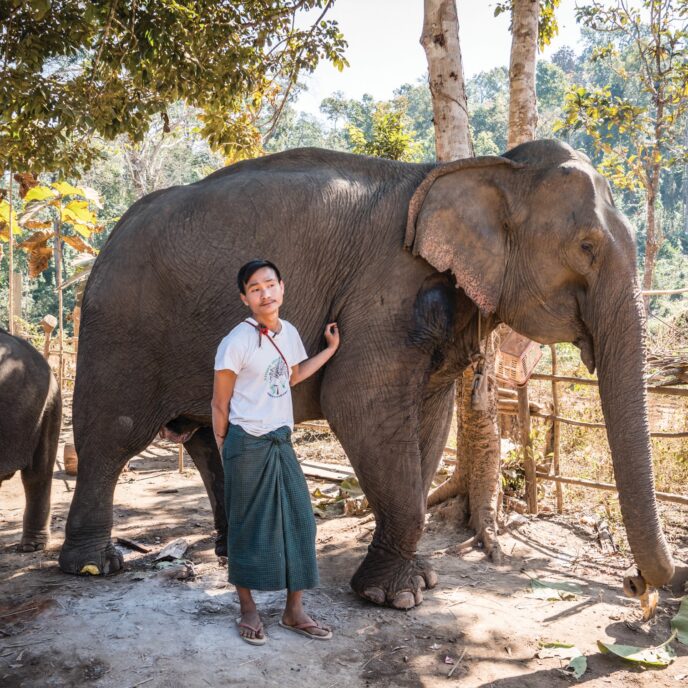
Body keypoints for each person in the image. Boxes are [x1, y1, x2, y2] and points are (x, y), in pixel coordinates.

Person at [211, 259, 340, 645]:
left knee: (301, 521)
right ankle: (248, 609)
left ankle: (293, 611)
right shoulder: (235, 342)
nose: (265, 293)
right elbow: (220, 404)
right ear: (244, 298)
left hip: (281, 442)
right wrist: (226, 447)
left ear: (282, 288)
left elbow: (292, 375)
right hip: (246, 442)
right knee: (246, 525)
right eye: (255, 288)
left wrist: (330, 351)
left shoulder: (290, 334)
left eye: (270, 284)